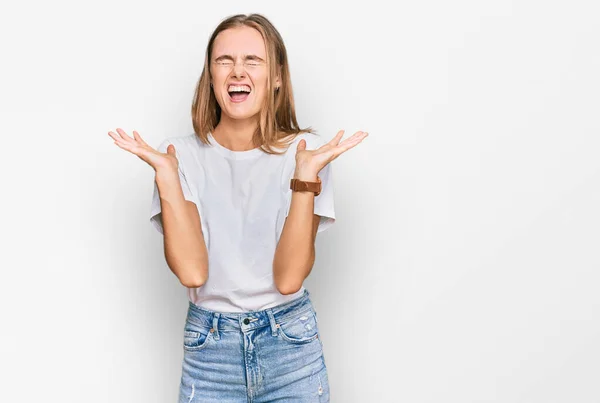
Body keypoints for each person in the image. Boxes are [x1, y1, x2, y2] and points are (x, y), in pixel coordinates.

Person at [108, 13, 368, 403]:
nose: (237, 72)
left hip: (290, 347)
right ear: (210, 75)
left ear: (277, 76)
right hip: (209, 352)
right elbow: (193, 271)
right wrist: (166, 177)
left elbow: (289, 279)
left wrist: (305, 180)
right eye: (224, 60)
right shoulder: (180, 156)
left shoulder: (304, 155)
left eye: (253, 60)